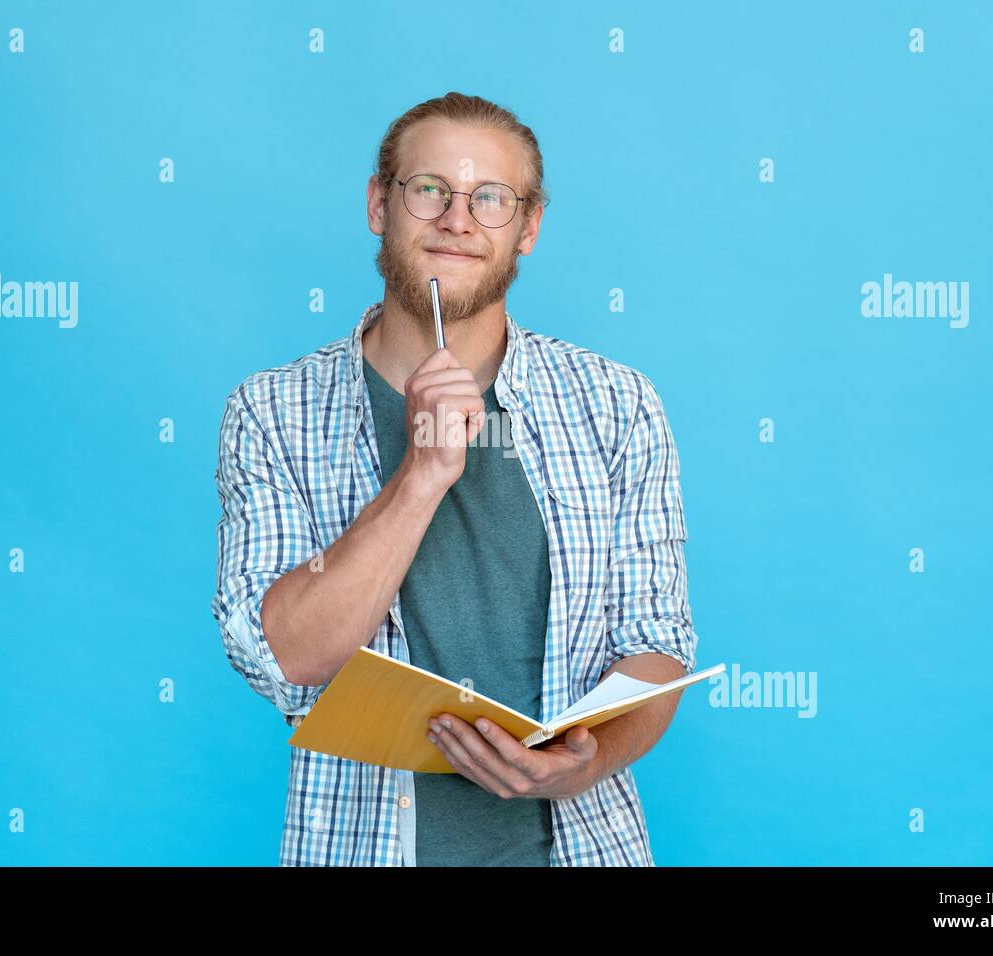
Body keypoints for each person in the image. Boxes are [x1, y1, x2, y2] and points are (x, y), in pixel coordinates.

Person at [212, 91, 700, 866]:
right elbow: (287, 654)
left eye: (491, 198)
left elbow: (657, 646)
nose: (458, 219)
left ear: (529, 227)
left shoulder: (615, 403)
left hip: (581, 848)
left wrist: (586, 762)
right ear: (381, 204)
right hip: (359, 846)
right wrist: (422, 476)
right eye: (430, 189)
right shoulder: (273, 412)